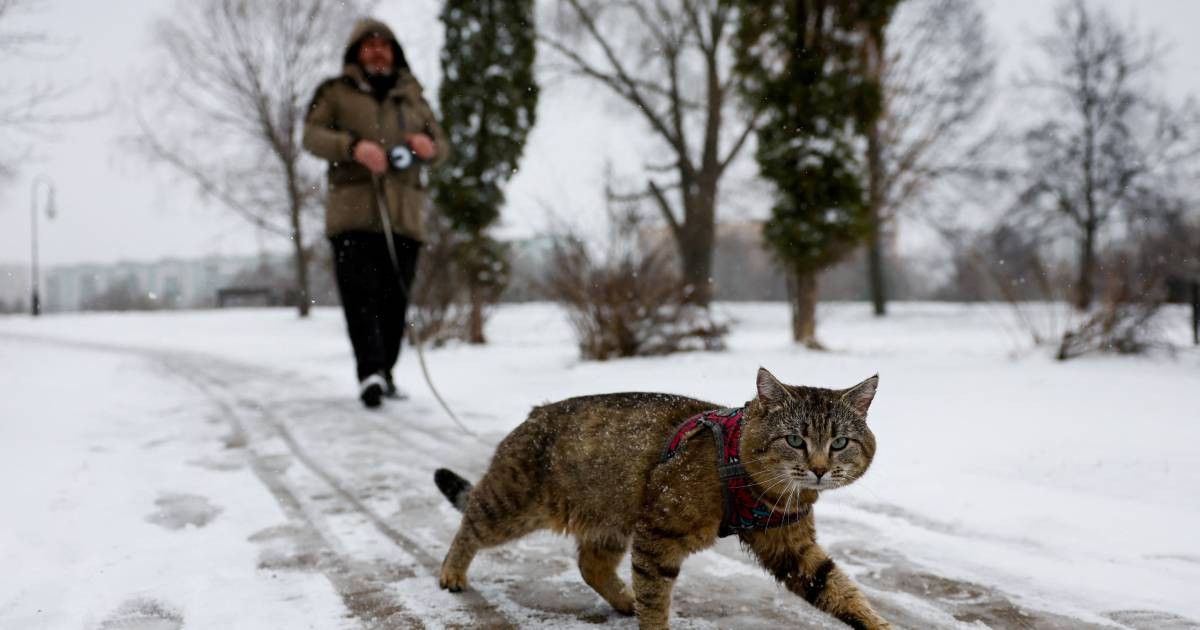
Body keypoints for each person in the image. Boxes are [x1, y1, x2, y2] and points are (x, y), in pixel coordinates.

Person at [303, 18, 449, 408]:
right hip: (352, 214)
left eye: (384, 45)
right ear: (355, 53)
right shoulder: (335, 93)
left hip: (404, 215)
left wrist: (427, 146)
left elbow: (442, 145)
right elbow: (311, 136)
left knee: (394, 300)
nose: (377, 51)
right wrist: (353, 147)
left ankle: (386, 370)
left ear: (394, 53)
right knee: (360, 297)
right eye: (368, 45)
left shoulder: (414, 98)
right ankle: (369, 372)